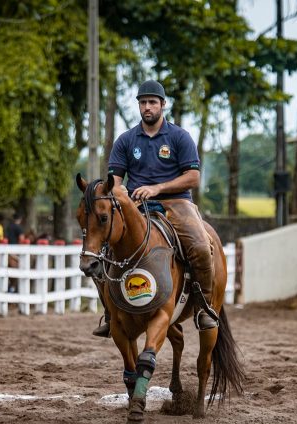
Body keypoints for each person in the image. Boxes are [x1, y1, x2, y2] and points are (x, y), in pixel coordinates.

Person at [91, 79, 215, 338]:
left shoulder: (179, 137)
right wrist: (123, 195)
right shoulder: (126, 140)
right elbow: (114, 182)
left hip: (177, 202)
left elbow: (193, 177)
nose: (147, 107)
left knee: (201, 247)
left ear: (163, 105)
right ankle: (110, 311)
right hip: (136, 204)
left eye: (152, 102)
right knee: (99, 252)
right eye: (143, 103)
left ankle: (205, 308)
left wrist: (157, 188)